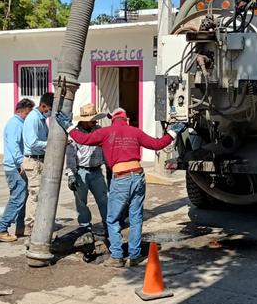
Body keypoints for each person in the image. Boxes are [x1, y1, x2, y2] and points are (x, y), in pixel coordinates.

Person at [58, 108, 186, 268]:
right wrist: (173, 132)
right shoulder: (135, 131)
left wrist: (68, 126)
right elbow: (157, 144)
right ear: (126, 119)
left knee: (112, 219)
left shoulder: (105, 132)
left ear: (113, 119)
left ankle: (117, 256)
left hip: (121, 178)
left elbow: (83, 139)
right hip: (138, 176)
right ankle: (134, 255)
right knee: (136, 218)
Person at [64, 103, 109, 248]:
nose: (95, 122)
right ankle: (85, 227)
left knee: (103, 200)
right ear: (84, 120)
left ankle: (109, 225)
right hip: (81, 171)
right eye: (92, 120)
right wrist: (71, 174)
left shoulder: (99, 131)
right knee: (81, 202)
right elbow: (70, 155)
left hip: (96, 171)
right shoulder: (75, 134)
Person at [0, 98, 35, 242]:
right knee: (18, 198)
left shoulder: (21, 123)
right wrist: (20, 162)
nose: (28, 117)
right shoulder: (14, 124)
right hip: (15, 168)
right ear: (19, 111)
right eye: (27, 114)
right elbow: (13, 145)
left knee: (22, 197)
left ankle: (20, 227)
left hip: (17, 166)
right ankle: (0, 229)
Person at [22, 92, 54, 234]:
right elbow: (32, 142)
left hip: (40, 159)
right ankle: (31, 225)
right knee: (35, 193)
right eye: (50, 109)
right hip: (33, 160)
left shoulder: (41, 119)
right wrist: (52, 143)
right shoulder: (33, 119)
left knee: (42, 193)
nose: (50, 112)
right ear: (43, 106)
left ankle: (38, 222)